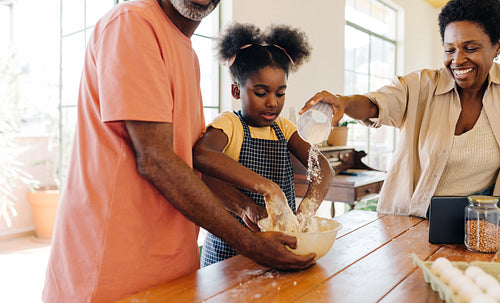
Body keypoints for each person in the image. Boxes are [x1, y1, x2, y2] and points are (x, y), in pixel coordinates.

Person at [42, 1, 316, 302]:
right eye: (261, 92)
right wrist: (251, 243)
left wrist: (244, 207)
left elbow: (187, 163)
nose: (272, 101)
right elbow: (156, 160)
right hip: (112, 266)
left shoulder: (187, 51)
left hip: (172, 264)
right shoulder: (133, 23)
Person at [300, 0, 500, 218]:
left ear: (496, 47)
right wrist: (343, 102)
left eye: (470, 48)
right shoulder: (420, 86)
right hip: (414, 220)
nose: (458, 60)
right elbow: (375, 103)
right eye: (450, 49)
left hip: (482, 224)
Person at [192, 23, 334, 267]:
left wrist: (303, 216)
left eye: (280, 94)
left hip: (279, 246)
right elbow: (202, 156)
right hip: (230, 252)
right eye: (261, 93)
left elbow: (323, 170)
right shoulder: (229, 124)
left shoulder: (285, 128)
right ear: (237, 91)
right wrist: (261, 195)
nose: (272, 103)